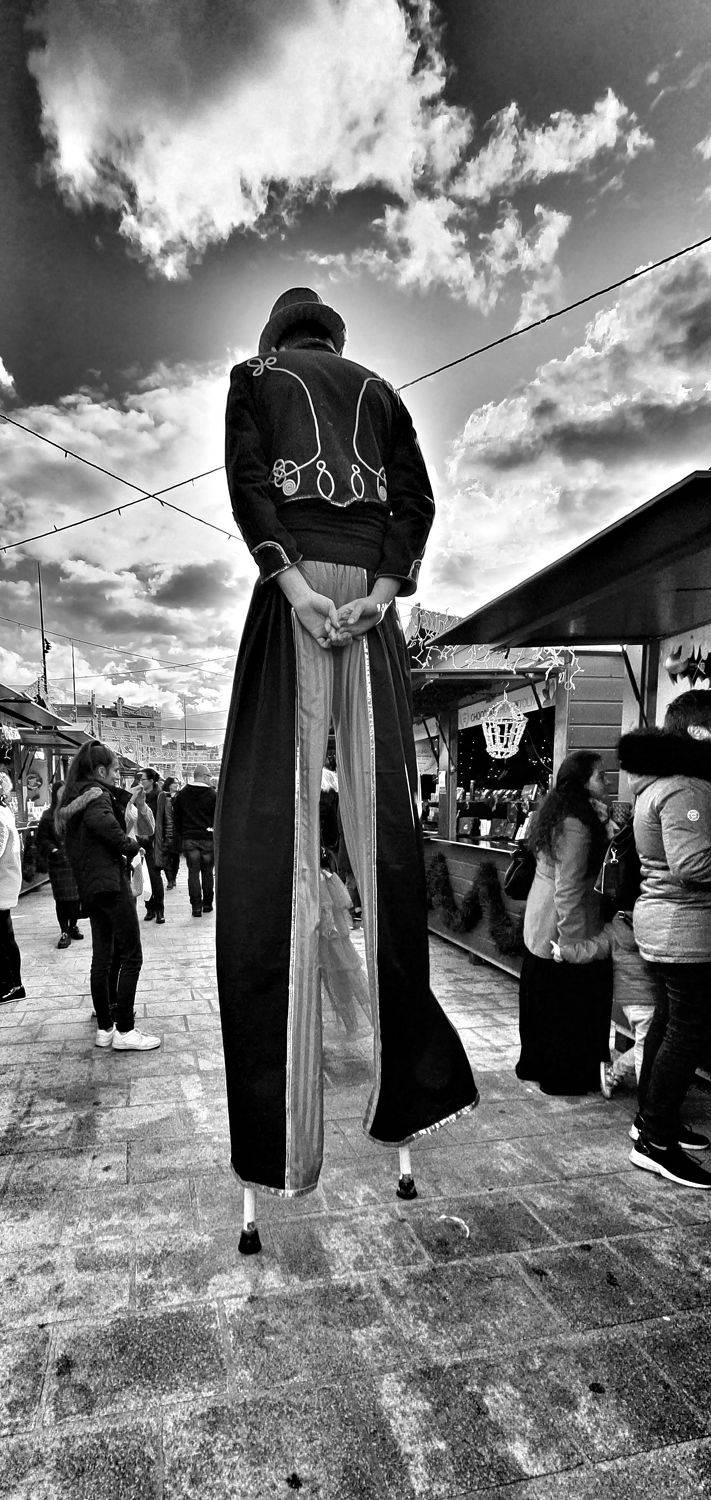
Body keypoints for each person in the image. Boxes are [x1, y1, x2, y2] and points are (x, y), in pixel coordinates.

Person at [216, 286, 478, 1232]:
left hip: (295, 600)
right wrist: (380, 591)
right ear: (333, 338)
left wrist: (292, 586)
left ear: (277, 336)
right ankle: (407, 1096)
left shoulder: (254, 377)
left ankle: (275, 1146)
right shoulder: (382, 390)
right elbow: (416, 500)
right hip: (367, 607)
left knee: (267, 849)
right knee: (387, 849)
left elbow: (249, 483)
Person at [618, 690, 711, 1189]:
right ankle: (655, 1140)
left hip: (664, 925)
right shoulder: (685, 789)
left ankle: (652, 1122)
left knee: (669, 1023)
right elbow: (692, 864)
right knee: (685, 1032)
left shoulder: (658, 785)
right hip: (684, 929)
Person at [516, 750, 614, 1095]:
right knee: (566, 1005)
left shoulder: (562, 811)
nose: (607, 782)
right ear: (582, 782)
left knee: (541, 999)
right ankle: (563, 1074)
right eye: (600, 776)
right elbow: (569, 889)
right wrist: (572, 945)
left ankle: (536, 1063)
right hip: (562, 922)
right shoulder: (576, 824)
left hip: (542, 916)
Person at [57, 741, 160, 1051]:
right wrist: (133, 847)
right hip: (110, 884)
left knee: (102, 957)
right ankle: (125, 1030)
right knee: (131, 955)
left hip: (91, 886)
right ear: (100, 770)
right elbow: (108, 830)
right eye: (115, 770)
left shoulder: (75, 797)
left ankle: (105, 1028)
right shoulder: (97, 796)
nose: (118, 775)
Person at [36, 781, 83, 949]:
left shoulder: (74, 812)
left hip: (74, 862)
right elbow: (41, 838)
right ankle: (64, 931)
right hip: (58, 864)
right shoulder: (48, 815)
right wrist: (53, 850)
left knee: (76, 899)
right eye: (61, 792)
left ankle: (73, 926)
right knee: (62, 900)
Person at [173, 766, 216, 916]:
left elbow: (176, 818)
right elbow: (217, 817)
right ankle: (207, 904)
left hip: (189, 839)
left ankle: (196, 907)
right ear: (203, 776)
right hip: (208, 838)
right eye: (209, 776)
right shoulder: (213, 795)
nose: (210, 779)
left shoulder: (182, 794)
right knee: (207, 872)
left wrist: (182, 834)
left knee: (193, 873)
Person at [0, 770, 25, 1002]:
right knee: (4, 936)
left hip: (2, 883)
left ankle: (13, 985)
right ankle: (12, 984)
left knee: (4, 938)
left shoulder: (0, 815)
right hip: (6, 881)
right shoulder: (4, 811)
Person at [138, 768, 164, 924]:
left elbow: (163, 820)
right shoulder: (137, 795)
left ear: (151, 781)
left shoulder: (159, 797)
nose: (140, 782)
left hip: (154, 842)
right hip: (139, 842)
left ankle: (160, 909)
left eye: (143, 779)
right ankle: (149, 908)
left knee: (155, 877)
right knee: (143, 877)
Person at [156, 776, 179, 889]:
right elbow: (160, 814)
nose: (176, 785)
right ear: (169, 784)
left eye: (177, 783)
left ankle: (173, 878)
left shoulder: (179, 797)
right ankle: (170, 880)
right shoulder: (163, 796)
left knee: (175, 858)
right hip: (166, 832)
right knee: (166, 857)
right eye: (174, 783)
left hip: (177, 833)